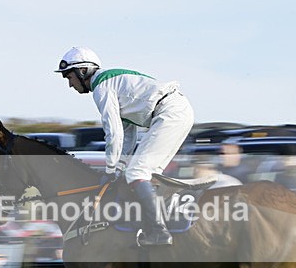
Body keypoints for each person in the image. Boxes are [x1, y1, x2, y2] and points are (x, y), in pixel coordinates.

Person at [55, 46, 194, 246]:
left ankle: (159, 232)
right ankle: (162, 220)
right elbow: (128, 134)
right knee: (144, 173)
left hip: (169, 112)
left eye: (69, 77)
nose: (70, 84)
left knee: (137, 172)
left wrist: (110, 169)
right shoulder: (112, 83)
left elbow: (113, 132)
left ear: (82, 71)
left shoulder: (102, 87)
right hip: (176, 110)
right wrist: (119, 166)